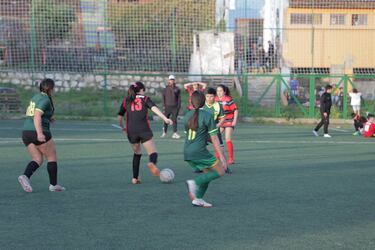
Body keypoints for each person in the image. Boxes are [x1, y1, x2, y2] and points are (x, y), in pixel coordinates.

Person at [118, 81, 173, 184]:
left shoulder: (127, 100)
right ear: (141, 90)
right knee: (152, 152)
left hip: (131, 131)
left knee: (137, 153)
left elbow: (120, 117)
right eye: (144, 90)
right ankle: (151, 163)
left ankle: (135, 178)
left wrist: (123, 128)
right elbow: (154, 109)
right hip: (143, 129)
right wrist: (165, 119)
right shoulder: (145, 99)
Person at [18, 78, 65, 193]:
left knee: (37, 159)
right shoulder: (45, 99)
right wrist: (40, 133)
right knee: (51, 157)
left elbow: (34, 112)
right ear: (50, 88)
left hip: (26, 132)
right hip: (38, 131)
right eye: (54, 88)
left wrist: (49, 118)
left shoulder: (36, 97)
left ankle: (25, 177)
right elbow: (37, 115)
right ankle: (53, 185)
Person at [184, 91, 227, 208]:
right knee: (220, 171)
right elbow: (214, 138)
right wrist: (222, 157)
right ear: (204, 101)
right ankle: (194, 183)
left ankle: (198, 199)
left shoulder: (187, 115)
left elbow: (196, 133)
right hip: (199, 152)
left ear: (191, 102)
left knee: (207, 174)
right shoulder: (207, 115)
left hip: (187, 151)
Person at [215, 84, 238, 164]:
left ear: (224, 92)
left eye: (220, 91)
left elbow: (235, 110)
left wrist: (234, 121)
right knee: (216, 138)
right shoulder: (215, 100)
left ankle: (231, 158)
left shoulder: (228, 99)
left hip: (229, 121)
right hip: (220, 122)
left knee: (227, 138)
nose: (219, 92)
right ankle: (217, 155)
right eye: (217, 91)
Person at [161, 75, 181, 139]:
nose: (171, 81)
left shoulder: (177, 89)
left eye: (172, 80)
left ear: (174, 80)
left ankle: (175, 133)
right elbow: (163, 98)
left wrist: (178, 107)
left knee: (174, 120)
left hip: (175, 107)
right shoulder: (165, 89)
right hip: (167, 107)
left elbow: (179, 99)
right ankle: (164, 132)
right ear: (168, 80)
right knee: (165, 120)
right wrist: (164, 106)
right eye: (170, 79)